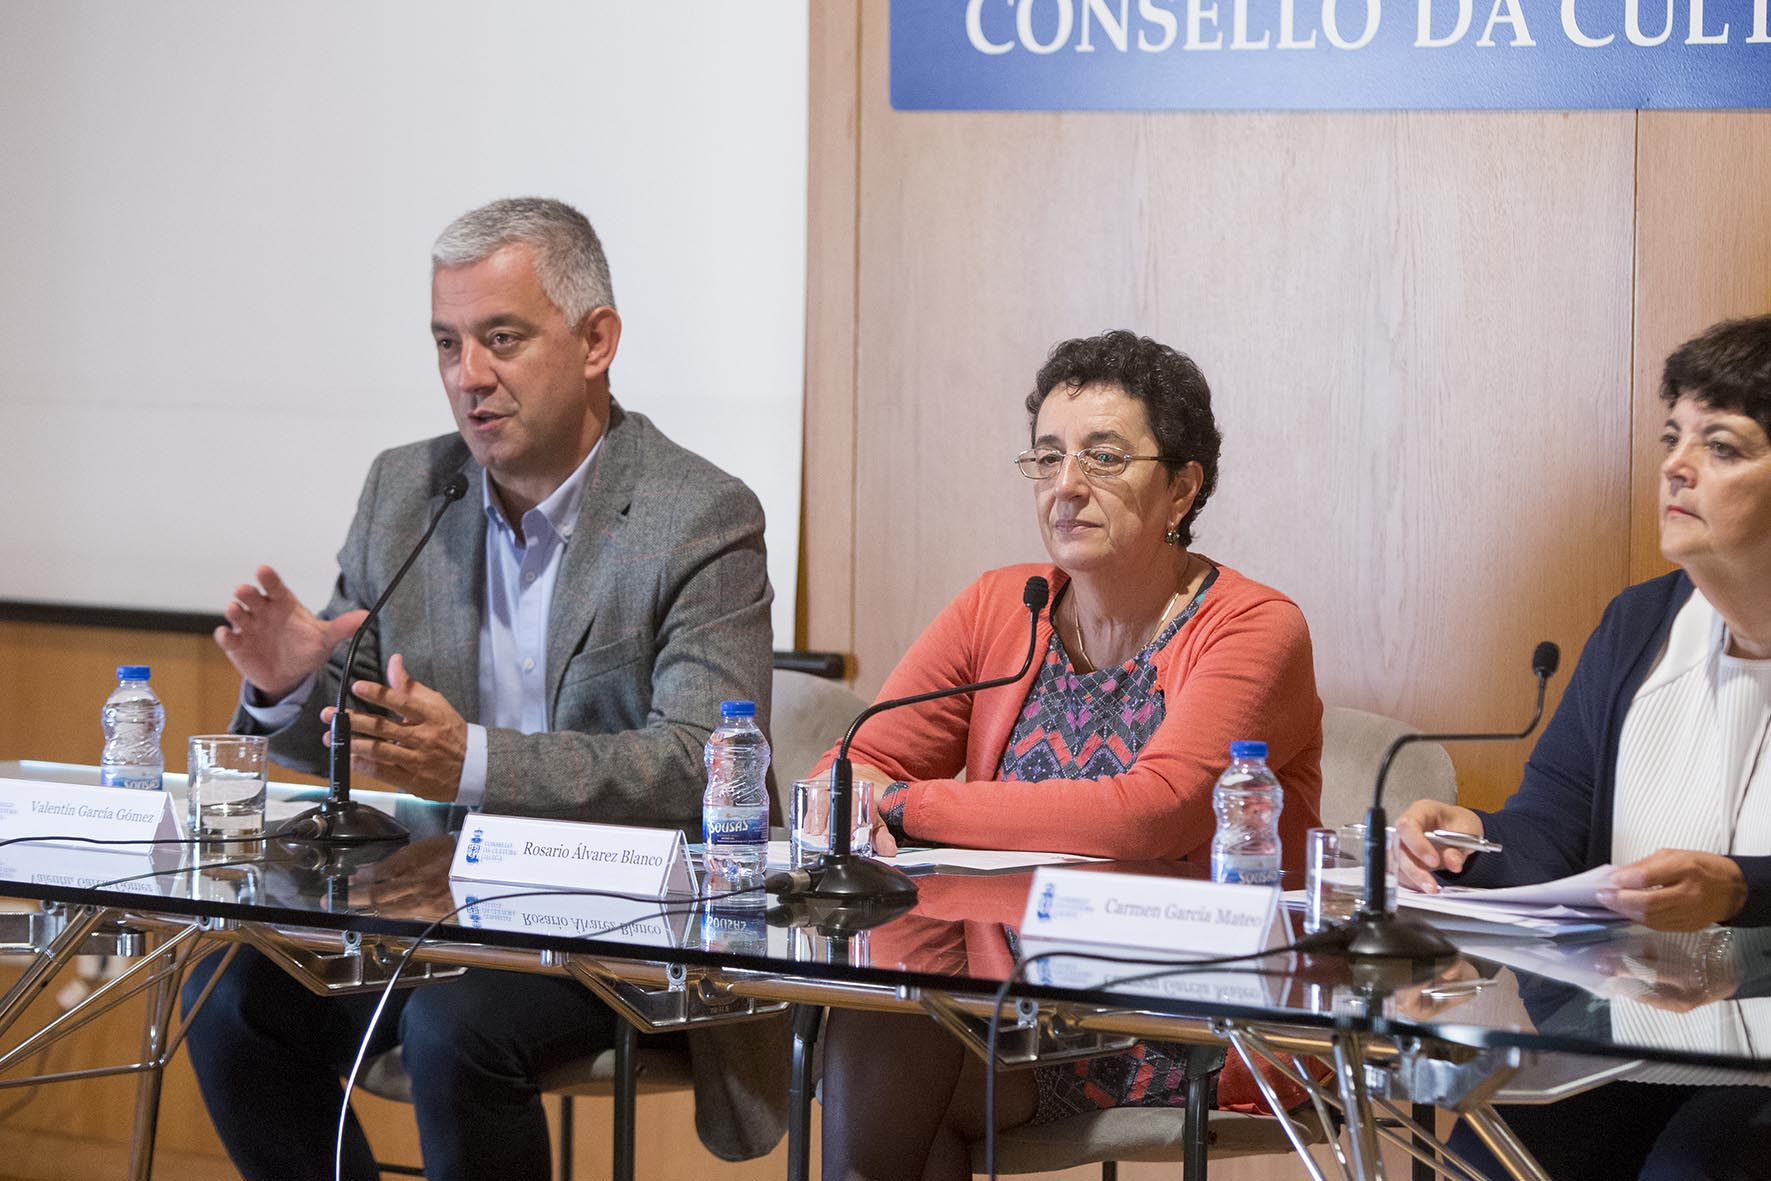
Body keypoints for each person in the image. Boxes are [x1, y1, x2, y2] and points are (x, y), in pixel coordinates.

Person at [180, 197, 784, 1180]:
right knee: (229, 1004)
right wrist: (293, 686)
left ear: (597, 341)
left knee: (453, 1024)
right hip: (428, 894)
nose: (468, 376)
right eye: (447, 343)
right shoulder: (405, 490)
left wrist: (471, 760)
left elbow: (696, 767)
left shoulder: (697, 514)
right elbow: (342, 735)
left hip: (622, 910)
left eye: (501, 338)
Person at [814, 329, 1324, 1180]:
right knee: (883, 1026)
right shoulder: (1002, 606)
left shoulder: (1253, 625)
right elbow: (842, 772)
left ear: (1181, 488)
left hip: (1190, 1010)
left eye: (1104, 458)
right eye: (1047, 458)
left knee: (893, 1067)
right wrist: (864, 786)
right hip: (1006, 998)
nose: (1066, 488)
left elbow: (1150, 812)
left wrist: (910, 804)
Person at [1397, 313, 1771, 1180]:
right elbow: (1547, 833)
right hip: (1634, 1036)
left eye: (1721, 446)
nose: (1675, 465)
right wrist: (1465, 843)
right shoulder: (1637, 624)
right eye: (1672, 436)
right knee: (1473, 1158)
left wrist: (1740, 887)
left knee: (1696, 1164)